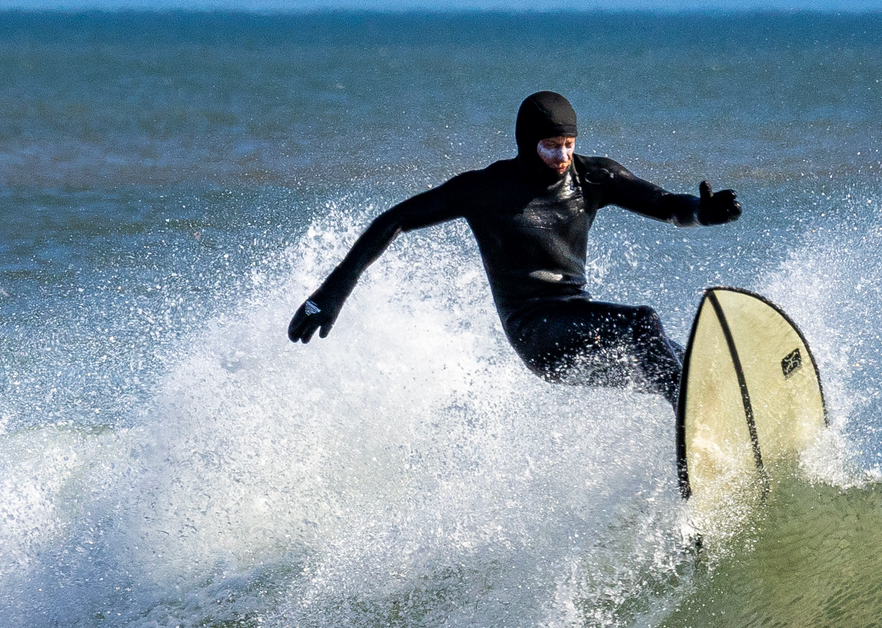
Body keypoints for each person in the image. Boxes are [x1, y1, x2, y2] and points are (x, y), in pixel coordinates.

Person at [287, 91, 740, 406]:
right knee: (643, 323)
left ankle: (721, 416)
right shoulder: (485, 189)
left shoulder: (593, 177)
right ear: (527, 143)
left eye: (568, 145)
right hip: (536, 335)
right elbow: (395, 220)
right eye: (550, 147)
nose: (562, 157)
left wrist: (703, 211)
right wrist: (333, 292)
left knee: (669, 354)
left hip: (577, 328)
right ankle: (693, 426)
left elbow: (664, 204)